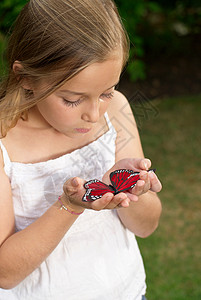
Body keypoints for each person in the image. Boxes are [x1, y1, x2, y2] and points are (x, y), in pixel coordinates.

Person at [0, 0, 162, 299]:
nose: (94, 113)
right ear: (25, 77)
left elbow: (146, 227)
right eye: (73, 99)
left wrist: (135, 192)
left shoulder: (116, 111)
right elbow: (5, 273)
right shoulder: (4, 144)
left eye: (106, 92)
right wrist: (70, 205)